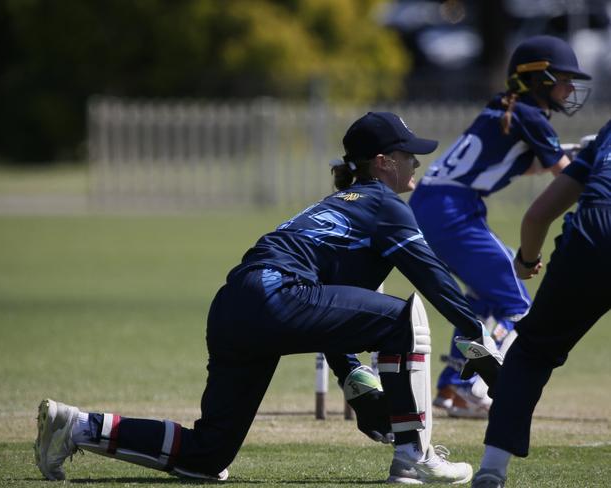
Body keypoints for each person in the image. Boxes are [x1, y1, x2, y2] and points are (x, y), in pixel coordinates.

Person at [34, 112, 503, 485]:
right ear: (382, 162)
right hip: (276, 294)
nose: (416, 163)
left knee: (207, 457)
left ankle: (78, 426)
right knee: (407, 318)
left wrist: (353, 377)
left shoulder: (337, 204)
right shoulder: (386, 206)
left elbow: (326, 312)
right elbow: (435, 278)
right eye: (408, 154)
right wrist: (475, 337)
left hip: (234, 305)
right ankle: (414, 460)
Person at [408, 35, 591, 418]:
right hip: (453, 209)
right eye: (563, 78)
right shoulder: (531, 115)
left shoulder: (504, 108)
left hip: (436, 203)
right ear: (538, 79)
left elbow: (518, 163)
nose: (571, 88)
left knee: (483, 301)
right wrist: (589, 162)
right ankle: (484, 388)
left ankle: (456, 387)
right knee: (519, 305)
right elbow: (563, 176)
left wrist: (568, 154)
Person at [471, 121, 610, 487]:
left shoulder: (608, 133)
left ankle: (492, 468)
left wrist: (527, 260)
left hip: (591, 236)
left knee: (531, 352)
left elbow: (537, 215)